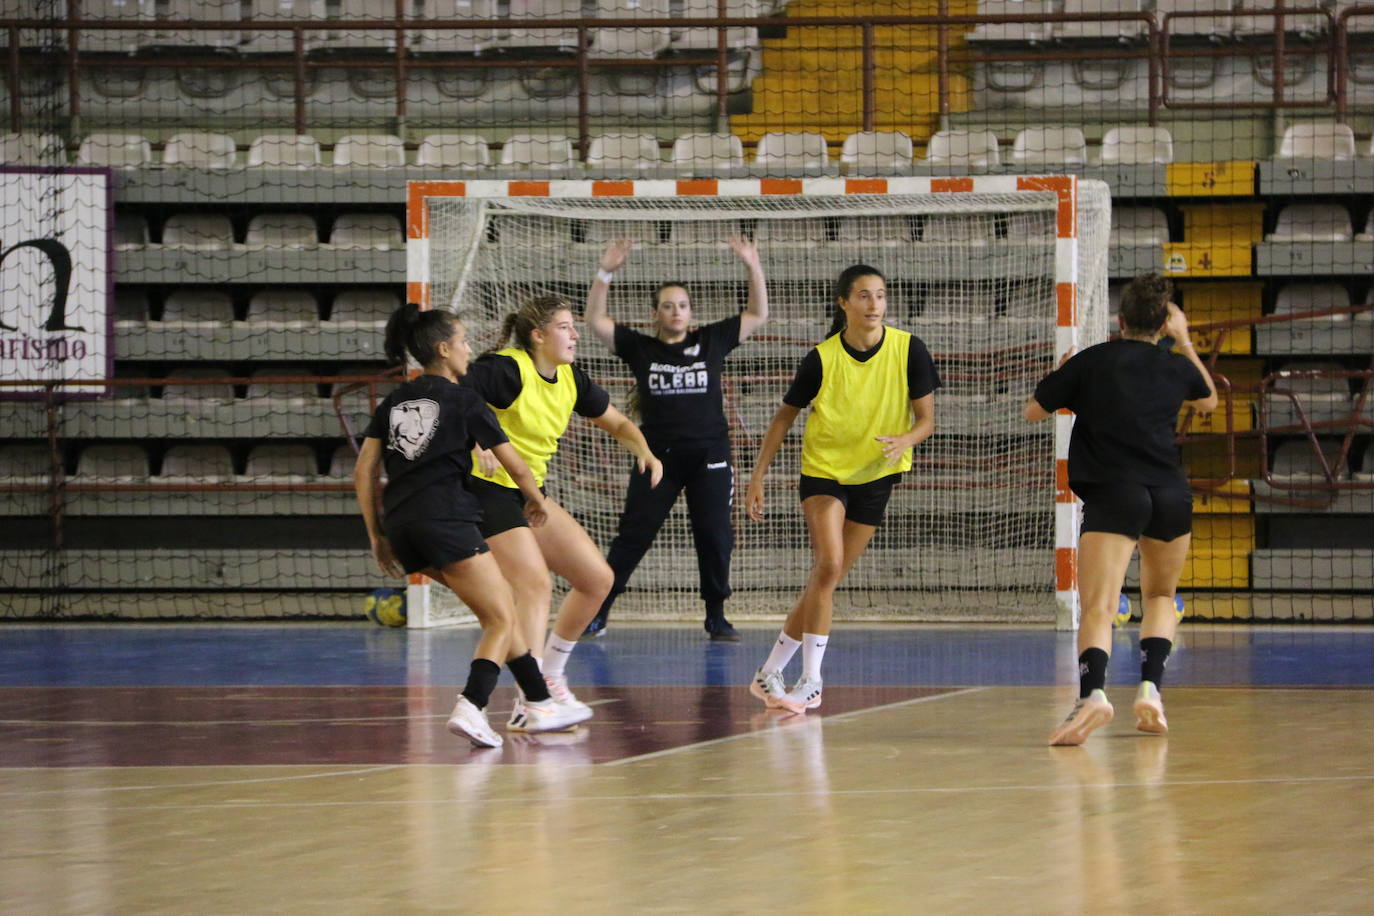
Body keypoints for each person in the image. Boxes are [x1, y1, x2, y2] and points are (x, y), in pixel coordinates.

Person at [354, 304, 592, 747]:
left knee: (497, 606)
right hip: (446, 519)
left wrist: (376, 535)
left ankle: (539, 702)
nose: (469, 349)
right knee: (501, 617)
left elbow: (364, 471)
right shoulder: (464, 399)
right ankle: (472, 705)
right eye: (463, 341)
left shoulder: (393, 401)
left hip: (403, 527)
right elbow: (515, 465)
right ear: (444, 350)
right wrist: (537, 500)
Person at [1024, 273, 1218, 746]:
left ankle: (1093, 695)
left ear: (1121, 318)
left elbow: (1034, 410)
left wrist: (1064, 373)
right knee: (1159, 596)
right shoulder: (1174, 364)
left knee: (1099, 606)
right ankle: (1150, 689)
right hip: (1171, 493)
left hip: (1115, 491)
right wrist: (1187, 341)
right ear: (1164, 321)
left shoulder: (1093, 360)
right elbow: (1210, 400)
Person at [743, 265, 940, 714]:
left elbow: (926, 420)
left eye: (881, 296)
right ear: (844, 304)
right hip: (824, 473)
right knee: (828, 564)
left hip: (877, 474)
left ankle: (768, 671)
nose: (874, 305)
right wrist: (757, 477)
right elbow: (783, 418)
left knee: (825, 580)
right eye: (864, 297)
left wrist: (905, 439)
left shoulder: (910, 349)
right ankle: (812, 680)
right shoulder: (822, 357)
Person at [465, 294, 663, 731]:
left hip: (527, 495)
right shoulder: (505, 368)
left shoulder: (571, 378)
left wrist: (644, 449)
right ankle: (528, 700)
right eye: (564, 327)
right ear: (538, 336)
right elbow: (455, 400)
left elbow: (617, 422)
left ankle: (550, 677)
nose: (575, 334)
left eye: (574, 327)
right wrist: (479, 444)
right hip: (482, 492)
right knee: (533, 586)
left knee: (597, 579)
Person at [581, 235, 770, 641]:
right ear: (656, 313)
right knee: (634, 533)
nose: (676, 311)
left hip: (709, 457)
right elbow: (595, 321)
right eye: (668, 305)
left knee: (715, 534)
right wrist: (604, 273)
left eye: (682, 305)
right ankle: (599, 610)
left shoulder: (712, 340)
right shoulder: (641, 347)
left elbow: (757, 314)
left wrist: (752, 265)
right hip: (657, 458)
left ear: (690, 311)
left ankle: (716, 615)